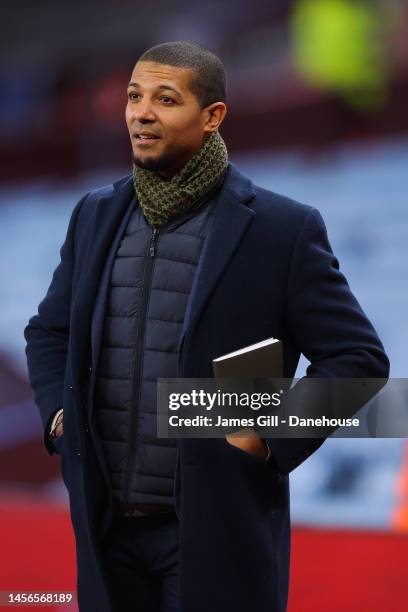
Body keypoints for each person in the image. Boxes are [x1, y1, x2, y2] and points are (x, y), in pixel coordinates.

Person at [24, 41, 389, 612]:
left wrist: (266, 436)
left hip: (217, 532)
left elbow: (359, 362)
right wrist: (60, 418)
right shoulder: (95, 213)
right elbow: (48, 331)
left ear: (212, 116)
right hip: (105, 530)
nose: (141, 112)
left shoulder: (280, 228)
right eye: (133, 96)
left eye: (165, 99)